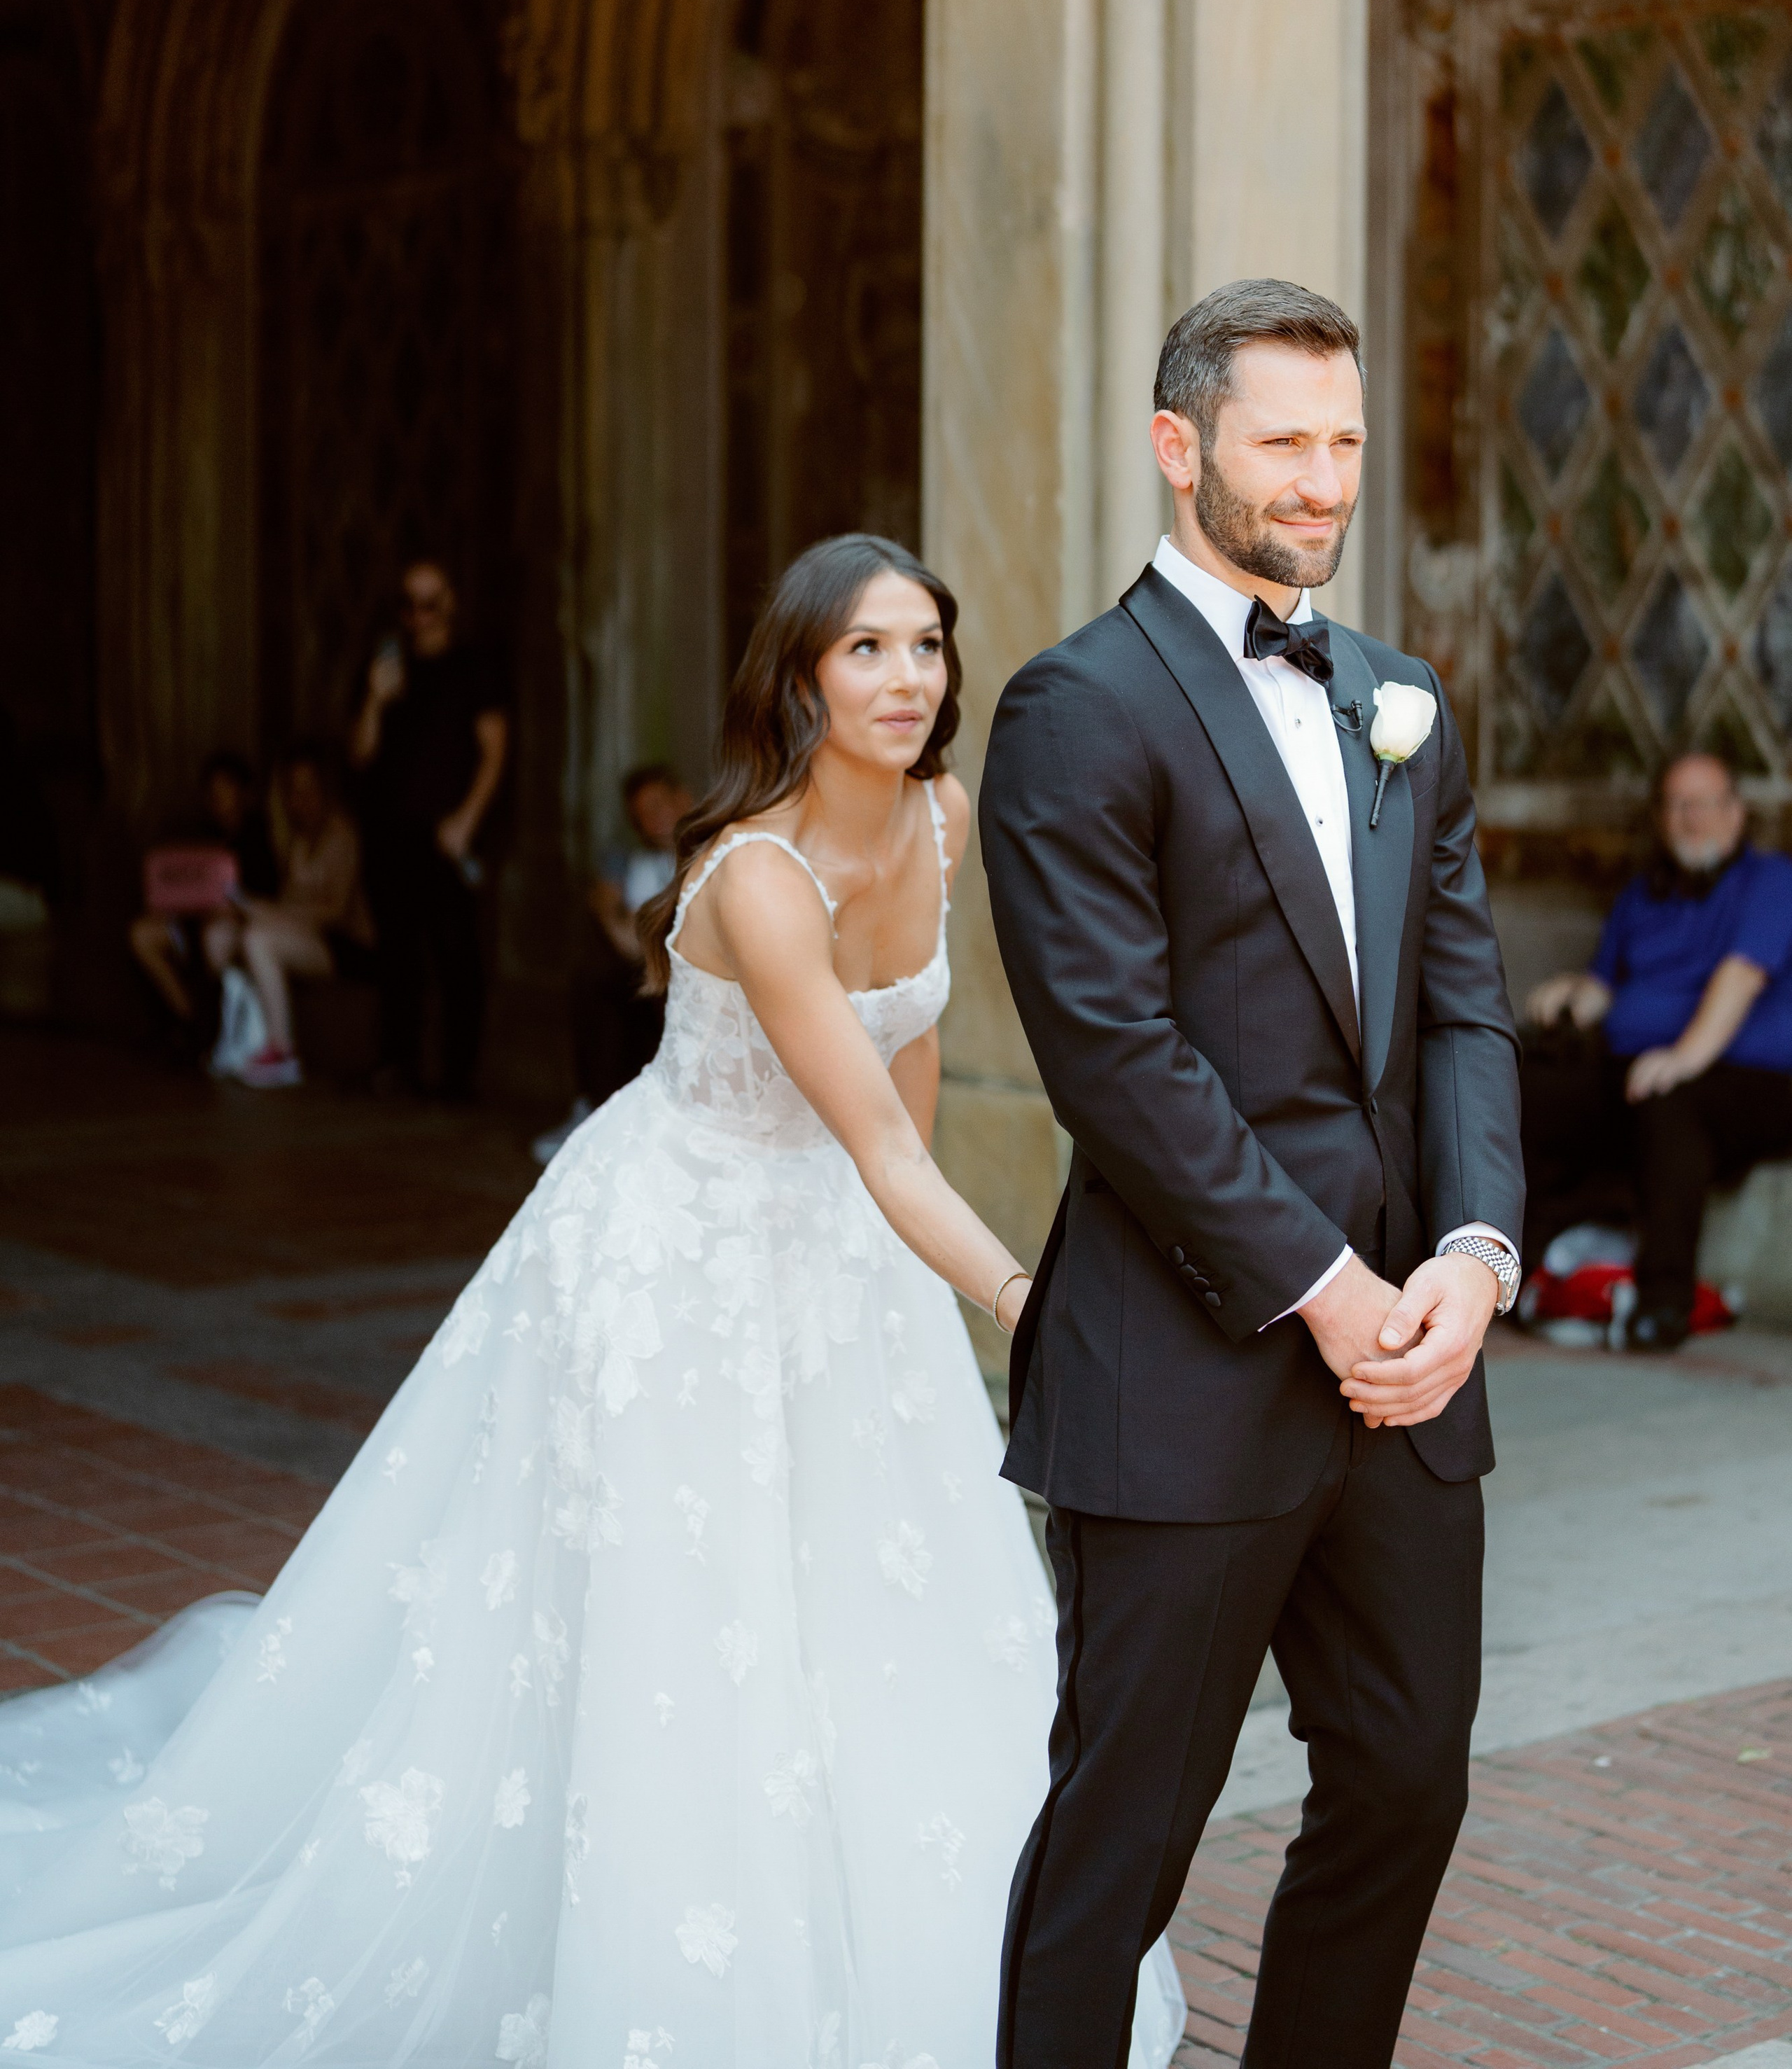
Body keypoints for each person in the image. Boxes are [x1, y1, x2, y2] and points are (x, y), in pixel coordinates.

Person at [0, 531, 1183, 2068]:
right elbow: (877, 1137)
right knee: (671, 1609)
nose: (906, 681)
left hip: (836, 1237)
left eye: (926, 647)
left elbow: (909, 1086)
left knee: (867, 1580)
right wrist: (1030, 1308)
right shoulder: (754, 875)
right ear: (801, 679)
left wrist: (908, 1297)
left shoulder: (944, 820)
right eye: (865, 651)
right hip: (669, 1254)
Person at [979, 279, 1524, 2069]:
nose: (1319, 477)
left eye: (1343, 439)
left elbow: (1460, 1010)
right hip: (1184, 1372)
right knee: (1116, 1848)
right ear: (1177, 444)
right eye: (1281, 438)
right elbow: (1114, 1059)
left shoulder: (1400, 702)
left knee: (1403, 1780)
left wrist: (1467, 1250)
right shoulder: (1076, 705)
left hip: (1401, 1382)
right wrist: (1329, 1285)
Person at [1522, 750, 1792, 1351]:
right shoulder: (1643, 895)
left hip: (1752, 1078)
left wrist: (1682, 1059)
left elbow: (1740, 979)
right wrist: (1573, 994)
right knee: (1525, 1081)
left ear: (1736, 813)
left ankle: (1663, 1304)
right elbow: (1606, 987)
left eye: (1703, 803)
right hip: (1645, 1072)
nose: (1689, 818)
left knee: (1674, 1105)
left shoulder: (1772, 881)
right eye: (1676, 804)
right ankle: (1518, 1267)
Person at [351, 561, 507, 1101]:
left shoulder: (474, 667)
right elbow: (360, 754)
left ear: (450, 605)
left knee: (456, 954)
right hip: (394, 834)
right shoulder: (388, 666)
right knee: (398, 955)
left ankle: (459, 1077)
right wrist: (375, 697)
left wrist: (467, 820)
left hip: (447, 834)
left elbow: (495, 751)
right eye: (409, 605)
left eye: (430, 604)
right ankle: (399, 1065)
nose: (419, 617)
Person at [533, 764, 693, 1166]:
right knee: (595, 980)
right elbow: (620, 935)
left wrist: (631, 927)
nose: (651, 820)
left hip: (689, 971)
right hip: (640, 969)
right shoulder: (624, 858)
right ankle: (591, 1109)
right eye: (641, 813)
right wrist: (614, 918)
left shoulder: (707, 853)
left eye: (658, 806)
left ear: (682, 801)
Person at [202, 744, 377, 1091]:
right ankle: (238, 1036)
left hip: (344, 943)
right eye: (293, 792)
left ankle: (282, 1051)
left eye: (309, 789)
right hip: (304, 933)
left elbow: (336, 912)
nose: (302, 800)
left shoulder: (343, 836)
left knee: (259, 938)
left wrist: (275, 914)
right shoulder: (296, 840)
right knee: (221, 933)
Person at [128, 751, 279, 1045]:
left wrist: (234, 907)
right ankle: (188, 1018)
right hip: (190, 922)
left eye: (226, 791)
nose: (219, 799)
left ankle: (221, 1029)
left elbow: (262, 898)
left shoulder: (259, 839)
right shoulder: (202, 834)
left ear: (244, 794)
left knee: (216, 937)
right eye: (213, 792)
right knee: (142, 935)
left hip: (232, 924)